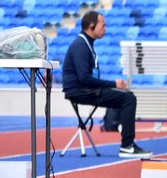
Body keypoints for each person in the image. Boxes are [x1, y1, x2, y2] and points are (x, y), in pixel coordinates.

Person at [61, 11, 150, 158]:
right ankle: (127, 146)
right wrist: (112, 84)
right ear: (91, 26)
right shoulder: (80, 45)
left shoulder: (86, 43)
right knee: (128, 99)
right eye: (103, 25)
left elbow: (88, 78)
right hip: (80, 91)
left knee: (127, 96)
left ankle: (127, 142)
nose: (106, 29)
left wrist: (112, 86)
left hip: (87, 89)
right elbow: (84, 78)